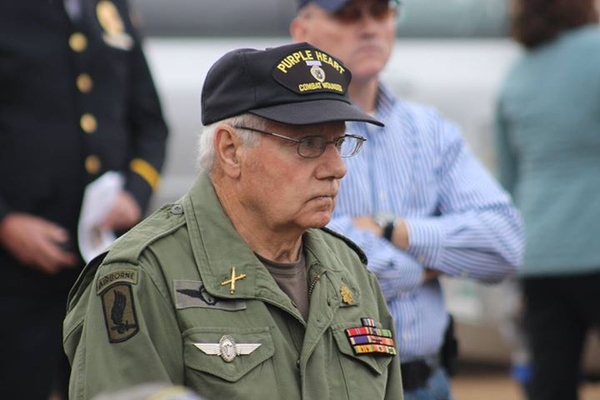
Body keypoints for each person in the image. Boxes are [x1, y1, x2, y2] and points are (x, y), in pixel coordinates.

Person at [63, 42, 404, 400]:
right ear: (230, 151)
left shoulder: (350, 272)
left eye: (340, 142)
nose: (338, 168)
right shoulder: (145, 276)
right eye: (310, 144)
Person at [290, 1, 525, 398]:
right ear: (302, 30)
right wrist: (427, 266)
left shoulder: (429, 130)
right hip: (333, 386)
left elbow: (505, 243)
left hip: (427, 382)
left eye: (380, 12)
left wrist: (393, 230)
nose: (369, 28)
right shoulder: (286, 132)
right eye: (348, 14)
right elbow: (306, 258)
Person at [0, 1, 168, 398]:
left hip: (103, 261)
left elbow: (150, 124)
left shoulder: (109, 7)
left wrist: (134, 193)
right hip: (16, 270)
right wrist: (5, 222)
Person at [495, 0, 600, 399]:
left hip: (538, 253)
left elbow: (508, 179)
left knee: (551, 380)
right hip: (594, 243)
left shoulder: (517, 73)